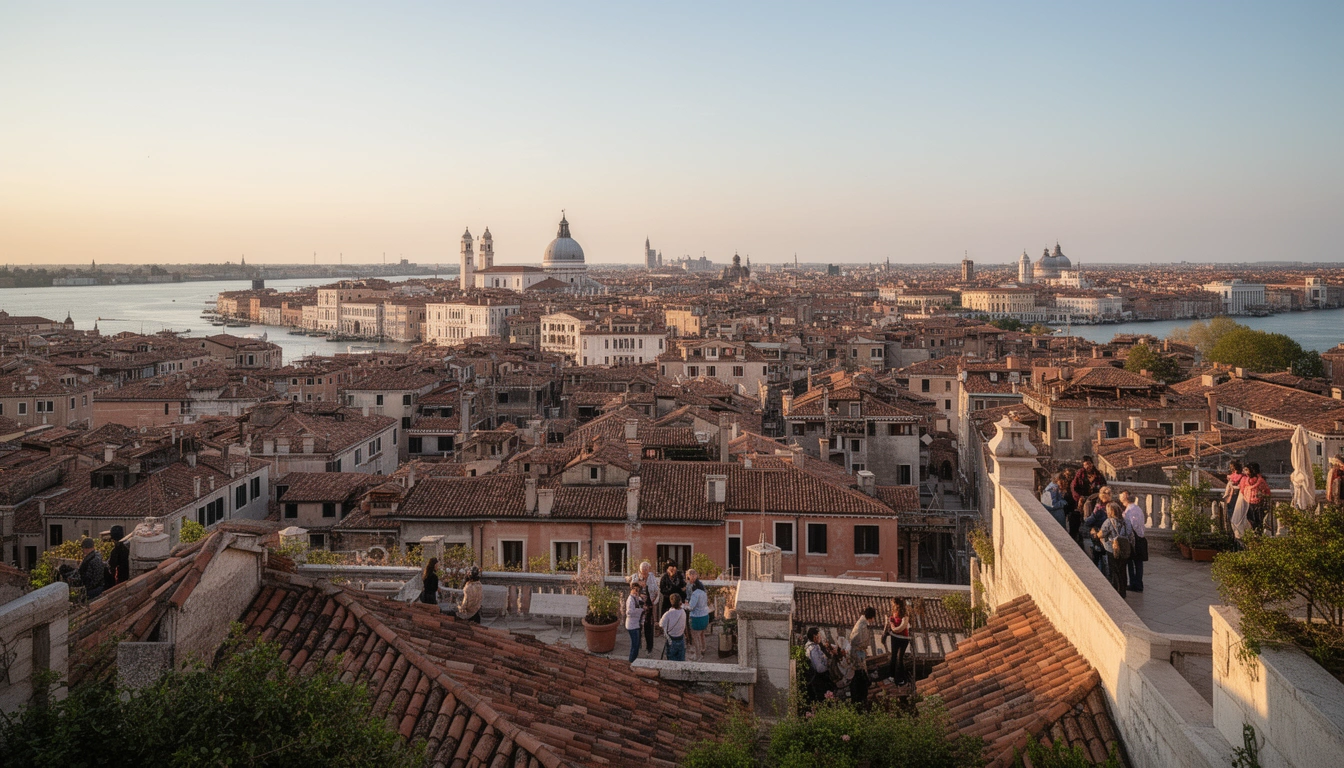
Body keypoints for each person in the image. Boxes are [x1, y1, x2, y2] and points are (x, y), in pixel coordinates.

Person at [1099, 502, 1135, 597]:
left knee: (1114, 570)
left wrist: (1095, 534)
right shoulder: (1126, 521)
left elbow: (1102, 534)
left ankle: (1116, 590)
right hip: (1125, 549)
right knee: (1123, 569)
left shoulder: (1108, 522)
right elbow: (1131, 535)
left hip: (1112, 549)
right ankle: (1123, 591)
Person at [848, 607, 877, 708]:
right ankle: (859, 699)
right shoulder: (863, 625)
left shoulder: (861, 622)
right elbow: (860, 641)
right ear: (872, 617)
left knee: (858, 675)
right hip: (858, 652)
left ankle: (858, 699)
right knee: (859, 676)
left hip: (857, 651)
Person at [1083, 486, 1115, 577]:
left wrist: (1085, 519)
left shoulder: (1099, 508)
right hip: (1110, 534)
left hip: (1099, 533)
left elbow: (1090, 520)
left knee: (1098, 554)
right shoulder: (1113, 506)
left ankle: (1099, 574)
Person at [1120, 491, 1147, 592]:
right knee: (1137, 563)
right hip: (1139, 538)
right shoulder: (1136, 508)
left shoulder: (1131, 510)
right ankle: (1136, 583)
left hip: (1135, 539)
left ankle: (1136, 584)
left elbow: (1132, 526)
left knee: (1133, 562)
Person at [629, 561, 659, 652]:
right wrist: (639, 592)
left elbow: (657, 590)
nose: (644, 574)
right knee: (638, 627)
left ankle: (649, 648)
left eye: (646, 572)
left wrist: (654, 599)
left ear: (649, 570)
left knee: (648, 628)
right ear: (640, 570)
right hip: (639, 606)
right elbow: (632, 588)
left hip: (649, 607)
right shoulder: (636, 577)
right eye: (642, 572)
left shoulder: (652, 577)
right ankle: (639, 645)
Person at [1070, 458, 1102, 541]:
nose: (1088, 466)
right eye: (1086, 464)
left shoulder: (1098, 475)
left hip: (1094, 500)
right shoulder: (1080, 474)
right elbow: (1074, 488)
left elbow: (1102, 487)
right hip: (1082, 500)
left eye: (1089, 464)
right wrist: (1080, 497)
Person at [802, 627, 835, 703]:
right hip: (819, 679)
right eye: (819, 635)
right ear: (814, 637)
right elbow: (819, 668)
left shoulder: (814, 646)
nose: (820, 637)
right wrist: (827, 665)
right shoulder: (813, 649)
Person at [883, 598, 911, 686]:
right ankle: (891, 676)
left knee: (900, 658)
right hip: (894, 637)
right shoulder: (894, 612)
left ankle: (900, 678)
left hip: (903, 638)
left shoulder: (905, 615)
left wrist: (892, 626)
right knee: (893, 657)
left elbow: (900, 628)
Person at [684, 568, 710, 661]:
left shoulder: (695, 594)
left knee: (696, 637)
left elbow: (691, 607)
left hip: (697, 617)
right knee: (702, 634)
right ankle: (703, 648)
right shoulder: (703, 592)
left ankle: (698, 655)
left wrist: (683, 605)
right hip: (705, 615)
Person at [1240, 462, 1271, 533]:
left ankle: (1258, 533)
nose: (1245, 472)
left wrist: (1261, 495)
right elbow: (1242, 490)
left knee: (1258, 520)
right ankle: (1254, 532)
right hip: (1248, 503)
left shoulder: (1260, 481)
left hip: (1258, 504)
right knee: (1250, 519)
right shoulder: (1246, 480)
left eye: (1247, 470)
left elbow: (1267, 492)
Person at [660, 593, 687, 661]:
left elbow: (661, 624)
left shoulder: (668, 614)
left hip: (671, 640)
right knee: (681, 660)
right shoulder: (683, 612)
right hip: (681, 639)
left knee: (671, 661)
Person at [624, 582, 646, 663]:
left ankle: (633, 661)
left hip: (635, 624)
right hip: (632, 625)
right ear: (632, 589)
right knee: (635, 645)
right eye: (635, 590)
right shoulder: (630, 600)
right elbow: (629, 612)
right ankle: (631, 661)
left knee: (636, 644)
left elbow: (639, 601)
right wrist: (641, 610)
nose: (637, 592)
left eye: (638, 590)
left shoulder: (635, 597)